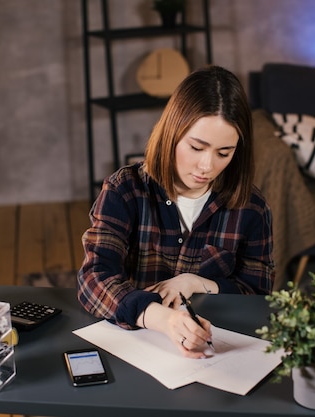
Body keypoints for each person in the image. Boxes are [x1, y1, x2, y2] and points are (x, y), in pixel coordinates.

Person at [77, 65, 275, 359]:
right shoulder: (125, 190)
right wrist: (164, 319)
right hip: (134, 345)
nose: (207, 166)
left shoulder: (251, 207)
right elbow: (93, 278)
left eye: (224, 153)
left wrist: (197, 283)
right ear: (172, 133)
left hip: (215, 353)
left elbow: (258, 293)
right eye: (197, 147)